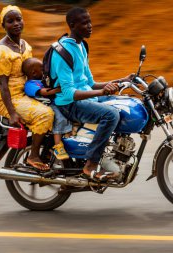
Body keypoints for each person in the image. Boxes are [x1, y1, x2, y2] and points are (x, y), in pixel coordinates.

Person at [51, 7, 133, 180]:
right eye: (85, 22)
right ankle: (91, 164)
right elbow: (69, 92)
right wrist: (102, 91)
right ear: (72, 25)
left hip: (85, 95)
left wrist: (121, 81)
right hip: (68, 103)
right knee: (111, 115)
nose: (90, 26)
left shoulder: (81, 46)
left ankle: (112, 153)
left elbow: (90, 83)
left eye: (90, 21)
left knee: (122, 101)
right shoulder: (63, 52)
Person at [0, 5, 54, 171]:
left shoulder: (25, 45)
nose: (16, 23)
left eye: (18, 19)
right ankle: (33, 156)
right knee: (45, 114)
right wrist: (12, 113)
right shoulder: (1, 52)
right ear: (3, 26)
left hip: (25, 92)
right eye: (10, 21)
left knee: (59, 106)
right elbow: (3, 86)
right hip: (7, 98)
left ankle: (49, 150)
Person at [22, 57, 71, 160]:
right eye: (42, 70)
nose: (45, 71)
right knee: (60, 118)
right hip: (46, 106)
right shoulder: (30, 85)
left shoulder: (41, 80)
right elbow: (43, 92)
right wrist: (58, 89)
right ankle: (58, 146)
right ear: (34, 73)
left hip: (53, 103)